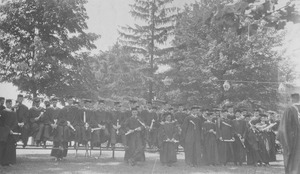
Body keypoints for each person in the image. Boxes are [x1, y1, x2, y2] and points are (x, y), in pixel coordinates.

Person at [278, 93, 300, 174]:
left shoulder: (289, 110)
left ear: (292, 99)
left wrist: (281, 138)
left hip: (293, 140)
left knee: (293, 160)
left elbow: (284, 127)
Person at [1, 99, 18, 166]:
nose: (9, 105)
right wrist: (8, 130)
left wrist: (11, 130)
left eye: (10, 104)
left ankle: (9, 161)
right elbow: (2, 123)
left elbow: (15, 122)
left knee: (10, 146)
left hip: (11, 132)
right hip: (4, 132)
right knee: (3, 146)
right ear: (6, 104)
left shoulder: (13, 113)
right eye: (8, 103)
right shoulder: (3, 112)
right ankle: (2, 162)